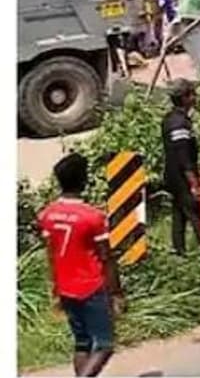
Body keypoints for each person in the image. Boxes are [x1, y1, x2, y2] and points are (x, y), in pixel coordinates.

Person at [37, 154, 122, 377]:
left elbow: (50, 253)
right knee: (104, 345)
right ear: (84, 180)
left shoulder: (48, 214)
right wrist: (116, 292)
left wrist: (54, 288)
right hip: (91, 287)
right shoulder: (93, 217)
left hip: (65, 288)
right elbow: (106, 258)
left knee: (82, 342)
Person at [162, 80, 200, 256]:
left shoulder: (172, 118)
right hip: (181, 177)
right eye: (192, 94)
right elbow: (183, 156)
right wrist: (194, 183)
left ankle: (178, 248)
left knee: (179, 211)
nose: (195, 97)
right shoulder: (179, 124)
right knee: (194, 211)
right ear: (185, 97)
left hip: (172, 175)